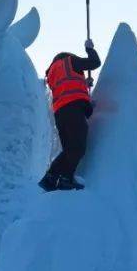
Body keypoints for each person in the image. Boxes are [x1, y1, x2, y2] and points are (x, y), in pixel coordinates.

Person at [39, 39, 102, 191]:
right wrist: (89, 49)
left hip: (60, 114)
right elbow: (95, 62)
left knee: (69, 149)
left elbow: (68, 85)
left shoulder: (53, 72)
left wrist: (84, 84)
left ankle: (50, 178)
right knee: (78, 147)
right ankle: (64, 177)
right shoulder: (70, 61)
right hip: (73, 110)